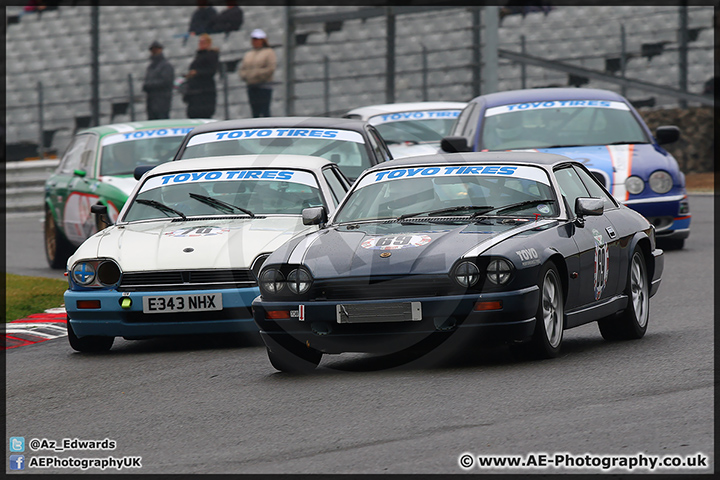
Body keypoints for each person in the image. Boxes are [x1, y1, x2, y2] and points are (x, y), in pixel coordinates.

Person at [239, 28, 277, 118]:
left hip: (264, 87)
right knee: (254, 112)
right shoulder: (249, 54)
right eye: (254, 39)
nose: (255, 42)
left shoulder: (269, 52)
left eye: (257, 39)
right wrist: (247, 76)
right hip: (252, 87)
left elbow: (270, 69)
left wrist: (256, 75)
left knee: (265, 111)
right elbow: (242, 69)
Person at [183, 33, 219, 119]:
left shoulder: (211, 55)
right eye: (200, 42)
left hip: (204, 93)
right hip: (195, 93)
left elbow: (211, 71)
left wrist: (197, 72)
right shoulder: (199, 56)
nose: (201, 44)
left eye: (204, 42)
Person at [142, 41, 175, 120]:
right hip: (152, 101)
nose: (154, 52)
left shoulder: (166, 66)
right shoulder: (151, 66)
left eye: (156, 49)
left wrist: (149, 85)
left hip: (162, 101)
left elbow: (166, 82)